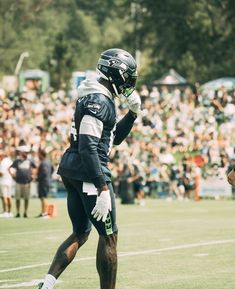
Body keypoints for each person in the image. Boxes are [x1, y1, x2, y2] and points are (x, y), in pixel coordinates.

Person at [37, 48, 141, 289]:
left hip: (73, 169)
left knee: (81, 233)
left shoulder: (96, 95)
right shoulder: (99, 100)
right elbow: (88, 147)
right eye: (127, 77)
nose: (129, 83)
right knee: (109, 237)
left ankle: (47, 284)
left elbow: (113, 139)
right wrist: (101, 186)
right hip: (88, 172)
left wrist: (133, 115)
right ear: (116, 73)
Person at [9, 145, 36, 218]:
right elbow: (10, 168)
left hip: (27, 182)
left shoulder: (30, 161)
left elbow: (35, 168)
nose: (26, 154)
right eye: (24, 152)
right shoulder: (17, 161)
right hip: (18, 182)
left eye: (27, 153)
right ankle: (18, 212)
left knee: (26, 198)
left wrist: (33, 175)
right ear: (21, 153)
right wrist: (13, 175)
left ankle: (25, 212)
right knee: (17, 198)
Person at [36, 149, 53, 218]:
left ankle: (45, 213)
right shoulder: (48, 162)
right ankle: (43, 212)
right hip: (45, 181)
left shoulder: (44, 163)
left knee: (44, 197)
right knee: (42, 197)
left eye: (39, 154)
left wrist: (37, 178)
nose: (38, 156)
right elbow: (52, 170)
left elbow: (44, 173)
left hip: (44, 182)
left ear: (41, 155)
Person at [0, 149, 14, 218]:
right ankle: (9, 212)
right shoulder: (10, 161)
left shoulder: (3, 162)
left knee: (4, 197)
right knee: (9, 197)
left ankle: (5, 212)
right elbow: (13, 172)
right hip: (9, 181)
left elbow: (1, 173)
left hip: (3, 181)